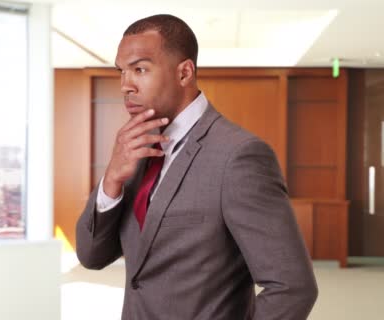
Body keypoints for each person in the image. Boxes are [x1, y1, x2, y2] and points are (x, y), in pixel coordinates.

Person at [76, 14, 317, 320]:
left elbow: (293, 288)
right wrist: (111, 179)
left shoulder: (239, 156)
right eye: (122, 72)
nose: (126, 85)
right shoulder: (134, 151)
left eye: (140, 69)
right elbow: (91, 256)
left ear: (185, 72)